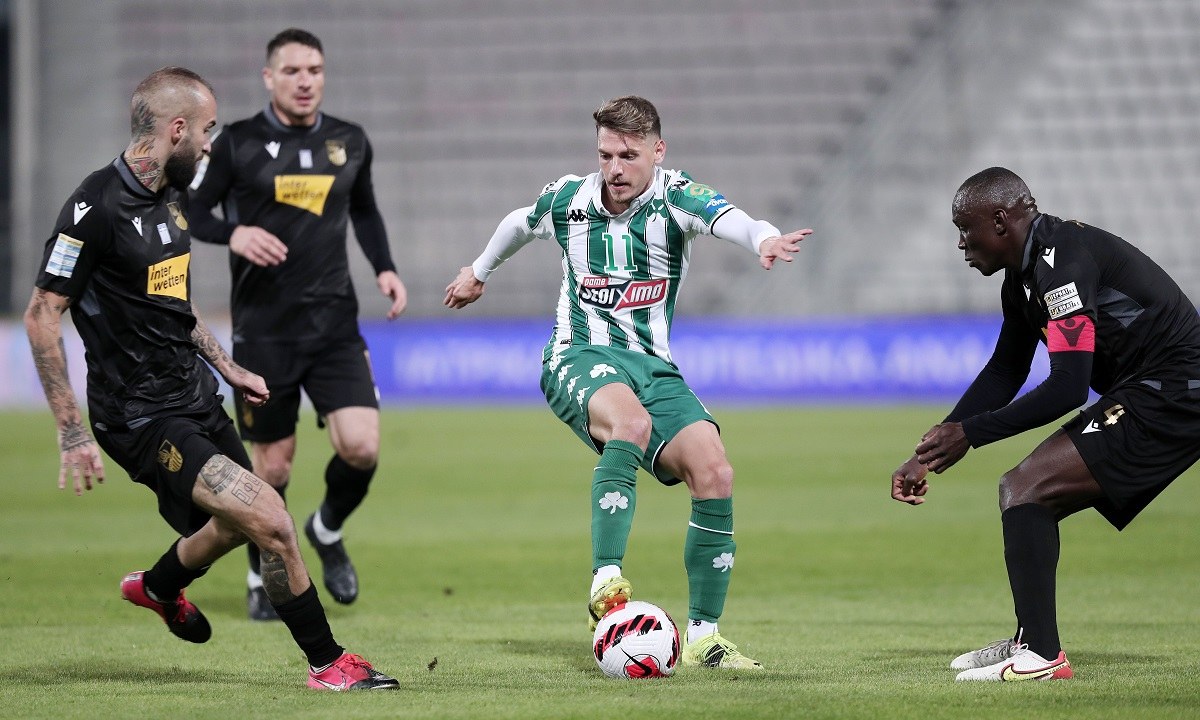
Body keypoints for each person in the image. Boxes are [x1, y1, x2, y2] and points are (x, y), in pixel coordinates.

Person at [24, 66, 397, 691]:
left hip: (194, 395)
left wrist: (226, 366)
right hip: (140, 416)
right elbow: (41, 314)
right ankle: (329, 663)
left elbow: (173, 301)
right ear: (177, 129)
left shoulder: (174, 198)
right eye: (207, 129)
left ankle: (158, 587)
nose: (211, 144)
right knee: (271, 519)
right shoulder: (94, 208)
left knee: (234, 522)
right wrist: (71, 430)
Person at [444, 95, 811, 670]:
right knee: (631, 424)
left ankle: (705, 637)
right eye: (605, 155)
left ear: (657, 152)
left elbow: (732, 218)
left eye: (628, 156)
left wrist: (763, 238)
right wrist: (479, 272)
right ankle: (605, 579)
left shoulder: (676, 198)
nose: (614, 169)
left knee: (715, 472)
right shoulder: (569, 199)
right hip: (578, 352)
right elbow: (519, 222)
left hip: (653, 365)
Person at [890, 167, 1200, 681]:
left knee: (1026, 487)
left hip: (1174, 391)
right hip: (1150, 390)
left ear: (1000, 221)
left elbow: (1068, 387)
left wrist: (972, 434)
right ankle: (1031, 640)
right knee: (1026, 492)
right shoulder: (1023, 277)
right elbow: (1006, 370)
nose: (960, 244)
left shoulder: (1064, 264)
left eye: (965, 229)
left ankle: (1040, 656)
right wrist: (930, 450)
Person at [189, 28, 407, 621]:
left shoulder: (349, 140)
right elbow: (192, 210)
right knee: (273, 467)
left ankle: (326, 529)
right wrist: (234, 232)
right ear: (269, 77)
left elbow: (365, 208)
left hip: (335, 326)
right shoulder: (237, 144)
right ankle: (260, 575)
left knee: (361, 447)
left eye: (314, 69)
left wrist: (385, 268)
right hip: (264, 332)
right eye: (292, 71)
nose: (305, 81)